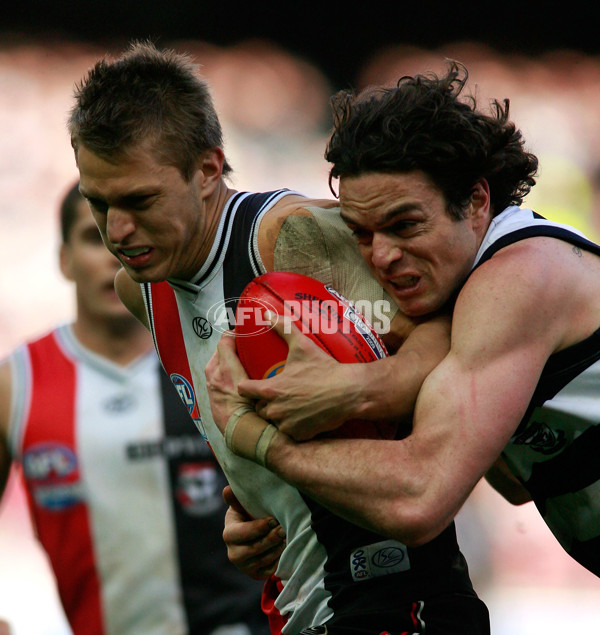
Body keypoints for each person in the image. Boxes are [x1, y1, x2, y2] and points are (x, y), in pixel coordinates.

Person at [68, 41, 491, 634]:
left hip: (395, 601)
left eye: (140, 200)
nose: (117, 229)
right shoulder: (142, 288)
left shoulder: (283, 240)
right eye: (98, 203)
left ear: (209, 170)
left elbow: (453, 321)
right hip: (296, 611)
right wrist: (245, 510)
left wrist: (363, 386)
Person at [208, 62, 600, 580]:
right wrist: (278, 512)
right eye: (362, 234)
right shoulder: (463, 299)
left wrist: (260, 440)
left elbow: (421, 499)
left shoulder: (519, 276)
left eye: (405, 225)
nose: (383, 256)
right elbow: (515, 483)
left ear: (477, 200)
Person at [0, 181, 270, 635]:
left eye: (122, 234)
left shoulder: (216, 355)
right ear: (64, 260)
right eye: (92, 236)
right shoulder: (17, 383)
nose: (112, 252)